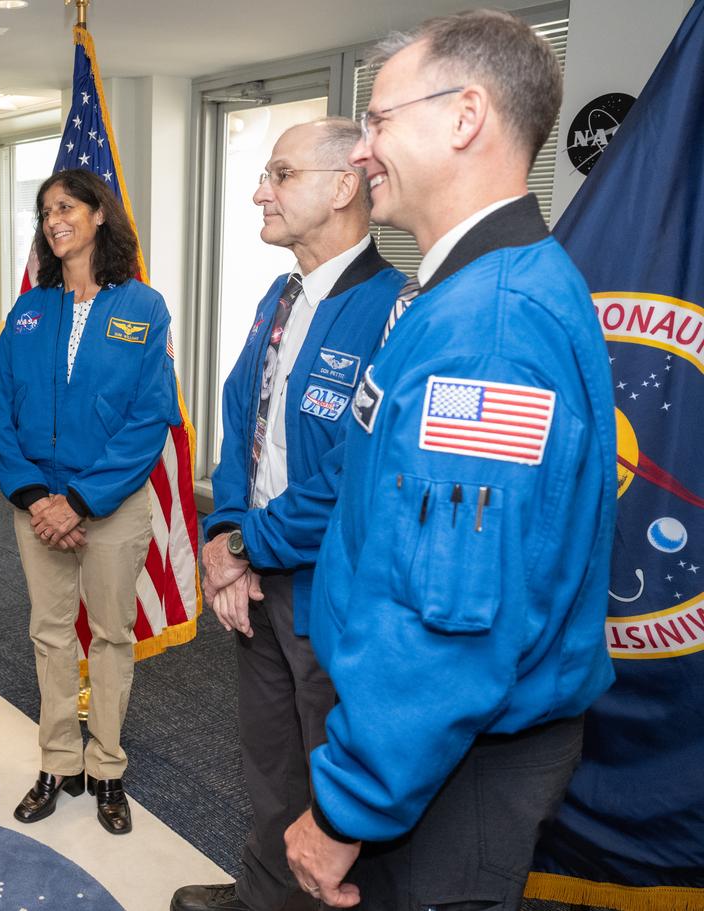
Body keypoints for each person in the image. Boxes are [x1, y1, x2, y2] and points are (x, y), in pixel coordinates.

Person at [282, 11, 617, 909]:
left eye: (379, 121)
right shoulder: (474, 291)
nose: (361, 153)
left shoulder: (488, 332)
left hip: (450, 760)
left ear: (466, 117)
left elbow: (450, 623)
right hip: (437, 745)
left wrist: (345, 808)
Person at [171, 119, 404, 911]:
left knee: (333, 766)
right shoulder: (282, 293)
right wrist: (222, 534)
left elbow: (353, 470)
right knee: (268, 756)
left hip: (329, 585)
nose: (258, 190)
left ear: (344, 187)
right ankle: (267, 894)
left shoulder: (393, 308)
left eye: (279, 174)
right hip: (258, 566)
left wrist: (245, 542)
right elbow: (242, 417)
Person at [0, 168, 180, 835]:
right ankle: (57, 762)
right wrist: (39, 496)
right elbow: (2, 409)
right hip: (36, 502)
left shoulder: (143, 307)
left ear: (100, 214)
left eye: (65, 207)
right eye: (45, 212)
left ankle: (105, 768)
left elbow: (148, 418)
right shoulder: (30, 309)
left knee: (109, 636)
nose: (53, 220)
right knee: (48, 635)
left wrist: (81, 499)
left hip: (111, 501)